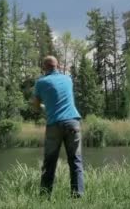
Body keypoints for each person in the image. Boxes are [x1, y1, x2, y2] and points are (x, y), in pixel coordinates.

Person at [31, 55, 84, 198]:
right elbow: (61, 97)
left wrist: (44, 106)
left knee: (49, 162)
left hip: (54, 124)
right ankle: (77, 196)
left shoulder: (40, 82)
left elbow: (35, 108)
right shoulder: (68, 79)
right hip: (73, 122)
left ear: (44, 67)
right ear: (58, 66)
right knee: (75, 161)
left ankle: (44, 197)